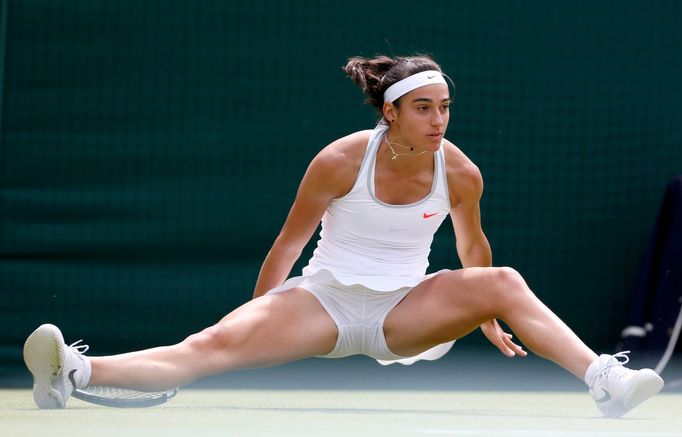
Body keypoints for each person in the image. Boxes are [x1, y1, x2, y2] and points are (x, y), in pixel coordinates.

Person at [23, 54, 663, 417]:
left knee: (505, 281)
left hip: (405, 311)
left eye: (444, 107)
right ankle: (74, 373)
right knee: (205, 348)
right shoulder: (337, 161)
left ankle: (604, 379)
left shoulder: (461, 171)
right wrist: (256, 313)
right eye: (423, 107)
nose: (438, 119)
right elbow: (287, 246)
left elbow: (474, 253)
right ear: (391, 111)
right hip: (323, 302)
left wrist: (492, 315)